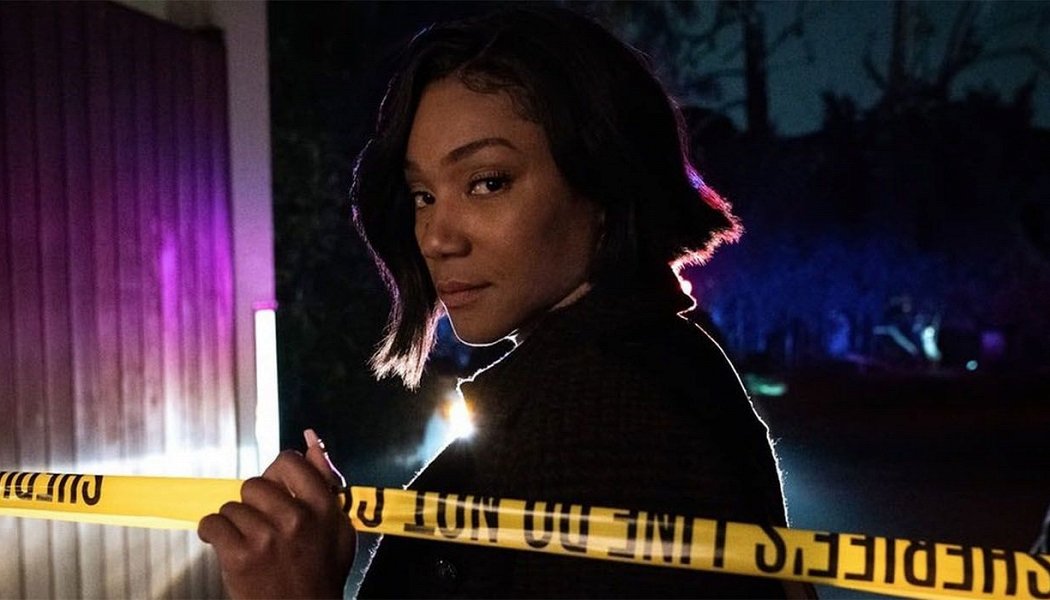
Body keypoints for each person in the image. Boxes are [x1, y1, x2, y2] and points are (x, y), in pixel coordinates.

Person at [199, 6, 809, 598]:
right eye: (422, 194)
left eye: (487, 182)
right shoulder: (639, 365)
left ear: (604, 183)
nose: (436, 238)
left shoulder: (604, 420)